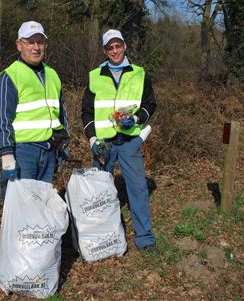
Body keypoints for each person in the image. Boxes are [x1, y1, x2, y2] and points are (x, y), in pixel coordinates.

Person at [81, 29, 157, 252]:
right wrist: (92, 138)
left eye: (118, 45)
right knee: (100, 194)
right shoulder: (95, 75)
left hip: (129, 142)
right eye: (110, 47)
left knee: (138, 189)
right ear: (105, 51)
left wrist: (136, 117)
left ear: (125, 46)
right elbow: (86, 111)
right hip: (103, 144)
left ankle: (145, 238)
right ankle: (103, 239)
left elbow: (150, 104)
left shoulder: (140, 74)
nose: (115, 50)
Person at [0, 21, 69, 201]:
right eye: (30, 42)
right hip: (23, 153)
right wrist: (7, 154)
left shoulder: (52, 75)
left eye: (40, 42)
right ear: (19, 45)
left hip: (49, 152)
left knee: (41, 209)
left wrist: (64, 145)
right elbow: (3, 118)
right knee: (21, 210)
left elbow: (61, 115)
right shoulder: (9, 76)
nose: (36, 47)